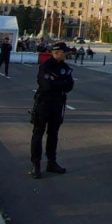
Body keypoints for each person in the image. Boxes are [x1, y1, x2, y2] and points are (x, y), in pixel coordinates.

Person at [30, 41, 74, 178]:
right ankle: (36, 164)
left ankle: (51, 162)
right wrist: (60, 82)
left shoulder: (65, 67)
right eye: (64, 52)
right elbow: (46, 85)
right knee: (38, 133)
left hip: (58, 104)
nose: (66, 54)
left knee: (53, 134)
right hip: (44, 103)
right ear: (57, 52)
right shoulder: (46, 66)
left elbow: (70, 85)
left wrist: (57, 82)